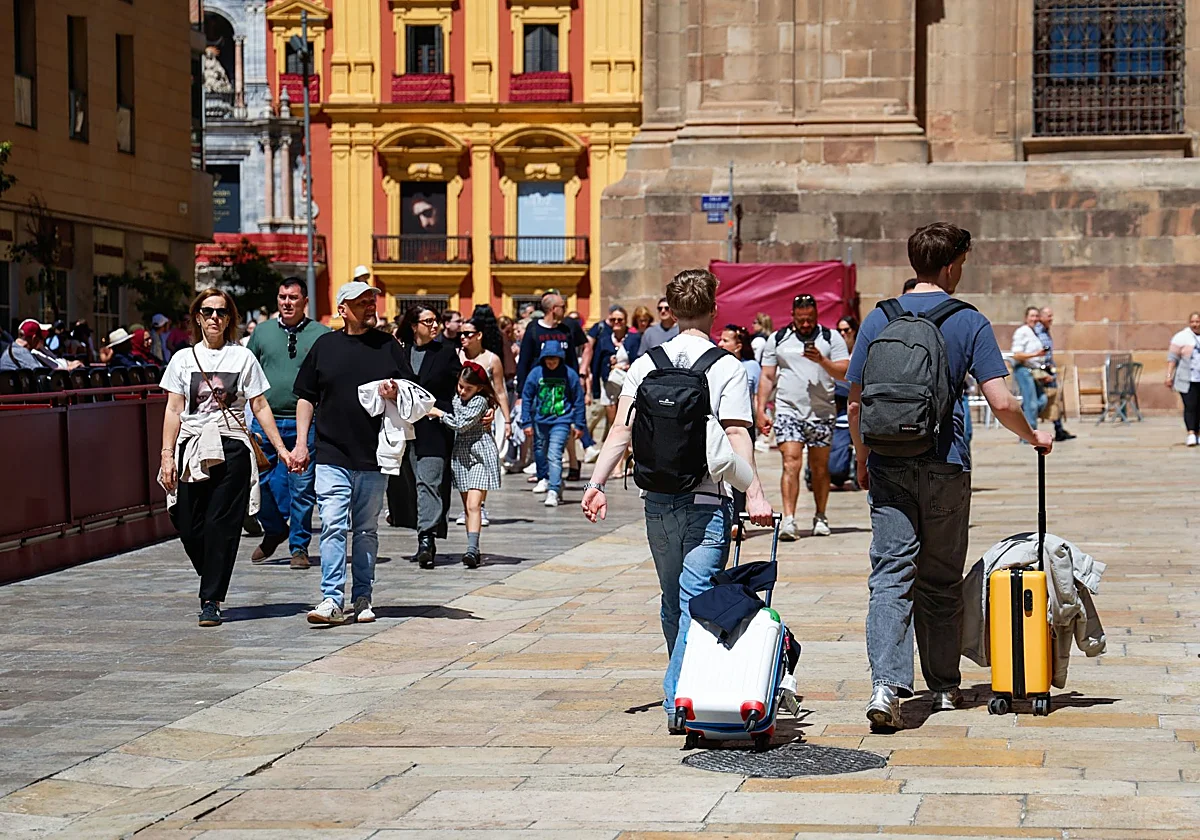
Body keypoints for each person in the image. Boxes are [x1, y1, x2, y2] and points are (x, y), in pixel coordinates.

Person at [846, 222, 1055, 729]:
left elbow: (855, 399)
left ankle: (886, 686)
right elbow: (1002, 400)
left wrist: (860, 457)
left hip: (889, 461)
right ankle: (942, 687)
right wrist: (1033, 437)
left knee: (891, 574)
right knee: (939, 577)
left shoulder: (879, 318)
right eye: (962, 262)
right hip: (946, 464)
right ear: (949, 265)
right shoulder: (968, 321)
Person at [581, 268, 774, 730]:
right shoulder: (725, 366)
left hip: (657, 499)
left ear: (670, 308)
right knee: (694, 598)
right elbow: (735, 437)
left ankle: (680, 684)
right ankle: (679, 699)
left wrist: (596, 483)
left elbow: (621, 431)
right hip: (707, 501)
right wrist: (756, 494)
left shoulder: (646, 364)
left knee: (673, 600)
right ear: (713, 309)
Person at [159, 288, 291, 627]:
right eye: (208, 311)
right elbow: (173, 410)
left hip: (231, 445)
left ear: (229, 318)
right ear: (198, 317)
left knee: (222, 523)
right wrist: (167, 455)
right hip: (192, 446)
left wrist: (280, 448)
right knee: (187, 522)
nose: (214, 317)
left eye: (221, 311)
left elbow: (259, 405)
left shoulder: (242, 358)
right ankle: (213, 574)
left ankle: (210, 599)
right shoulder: (182, 359)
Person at [293, 281, 416, 625]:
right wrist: (302, 443)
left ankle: (362, 596)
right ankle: (332, 598)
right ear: (342, 309)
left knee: (365, 530)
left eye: (371, 301)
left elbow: (410, 388)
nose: (369, 307)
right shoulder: (325, 346)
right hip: (331, 452)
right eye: (361, 303)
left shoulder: (387, 346)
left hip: (374, 454)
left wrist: (395, 389)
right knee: (332, 523)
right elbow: (306, 396)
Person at [245, 278, 330, 569]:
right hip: (264, 423)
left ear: (305, 301)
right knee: (256, 482)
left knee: (302, 487)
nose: (287, 302)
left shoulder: (321, 334)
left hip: (304, 424)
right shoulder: (262, 333)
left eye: (293, 297)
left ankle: (299, 547)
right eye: (282, 296)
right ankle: (274, 529)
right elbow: (247, 372)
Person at [756, 293, 850, 540]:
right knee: (790, 462)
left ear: (817, 315)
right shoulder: (778, 339)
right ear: (793, 317)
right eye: (801, 319)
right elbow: (767, 376)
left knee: (819, 468)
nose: (806, 324)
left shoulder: (831, 337)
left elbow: (844, 372)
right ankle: (789, 519)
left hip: (822, 412)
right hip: (788, 410)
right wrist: (760, 408)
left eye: (810, 319)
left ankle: (820, 515)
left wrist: (822, 361)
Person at [390, 305, 462, 569]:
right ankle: (419, 527)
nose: (435, 326)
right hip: (403, 429)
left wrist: (481, 406)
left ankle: (426, 539)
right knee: (410, 482)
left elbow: (461, 386)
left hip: (434, 428)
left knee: (429, 482)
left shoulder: (445, 353)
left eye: (437, 321)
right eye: (429, 321)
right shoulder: (398, 353)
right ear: (413, 325)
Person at [428, 362, 502, 568]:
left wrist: (440, 414)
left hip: (479, 455)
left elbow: (461, 425)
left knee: (474, 504)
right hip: (461, 456)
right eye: (460, 386)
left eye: (467, 388)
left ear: (478, 387)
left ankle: (472, 549)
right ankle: (472, 547)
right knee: (467, 507)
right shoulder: (456, 398)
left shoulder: (478, 401)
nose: (462, 391)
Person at [515, 292, 587, 480]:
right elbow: (523, 362)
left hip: (564, 386)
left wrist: (577, 382)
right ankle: (543, 471)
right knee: (539, 433)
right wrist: (521, 393)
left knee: (565, 426)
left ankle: (572, 463)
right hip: (539, 387)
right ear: (554, 309)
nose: (565, 309)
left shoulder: (565, 330)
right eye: (562, 306)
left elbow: (572, 359)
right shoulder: (533, 330)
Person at [457, 310, 513, 526]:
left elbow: (500, 391)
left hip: (484, 419)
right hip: (461, 417)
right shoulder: (456, 356)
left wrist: (507, 420)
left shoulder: (492, 359)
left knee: (483, 461)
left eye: (468, 334)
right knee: (462, 463)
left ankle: (479, 506)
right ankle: (467, 508)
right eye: (461, 334)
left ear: (479, 335)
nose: (463, 338)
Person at [521, 340, 585, 507]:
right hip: (540, 420)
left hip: (561, 420)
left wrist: (579, 424)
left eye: (554, 359)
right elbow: (526, 397)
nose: (551, 362)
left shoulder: (569, 374)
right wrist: (526, 421)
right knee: (540, 452)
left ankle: (554, 489)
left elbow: (578, 399)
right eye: (548, 359)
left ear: (560, 358)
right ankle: (544, 477)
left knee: (554, 454)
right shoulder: (536, 374)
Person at [717, 324, 761, 539]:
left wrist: (761, 416)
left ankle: (738, 520)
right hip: (719, 424)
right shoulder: (715, 364)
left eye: (726, 340)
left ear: (738, 345)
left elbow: (755, 394)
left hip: (743, 423)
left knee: (741, 470)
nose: (720, 343)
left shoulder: (751, 366)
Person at [587, 305, 641, 439]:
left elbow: (639, 359)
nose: (616, 322)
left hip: (628, 383)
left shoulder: (634, 338)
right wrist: (595, 390)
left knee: (627, 421)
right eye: (613, 320)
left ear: (625, 320)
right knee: (613, 422)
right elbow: (597, 364)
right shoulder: (604, 340)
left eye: (620, 320)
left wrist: (625, 367)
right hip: (609, 384)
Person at [1034, 307, 1076, 442]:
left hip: (1048, 368)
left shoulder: (1046, 331)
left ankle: (1059, 428)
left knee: (1054, 400)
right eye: (1048, 316)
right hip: (1041, 369)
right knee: (1040, 400)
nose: (1051, 319)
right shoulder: (1036, 331)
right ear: (1041, 317)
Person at [1010, 306, 1048, 432]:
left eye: (1037, 316)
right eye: (1032, 316)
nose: (1035, 319)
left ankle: (1021, 422)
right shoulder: (1022, 332)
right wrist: (1036, 354)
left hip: (1034, 370)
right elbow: (1017, 354)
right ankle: (1029, 434)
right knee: (1031, 404)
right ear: (1026, 318)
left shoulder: (1035, 332)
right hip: (1023, 370)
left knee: (1042, 400)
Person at [1167, 311, 1200, 446]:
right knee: (1190, 406)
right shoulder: (1181, 337)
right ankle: (1191, 433)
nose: (1195, 325)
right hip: (1187, 378)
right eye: (1193, 322)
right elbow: (1172, 358)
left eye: (1197, 322)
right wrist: (1169, 376)